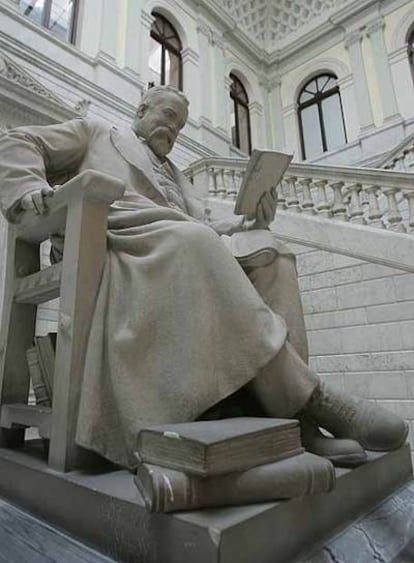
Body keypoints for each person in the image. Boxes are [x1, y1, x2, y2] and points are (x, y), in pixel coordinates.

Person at [0, 86, 407, 470]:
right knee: (195, 240)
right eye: (168, 116)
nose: (173, 130)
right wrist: (28, 189)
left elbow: (211, 222)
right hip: (122, 239)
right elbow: (20, 141)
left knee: (272, 253)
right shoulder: (96, 133)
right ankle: (313, 399)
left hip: (183, 243)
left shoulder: (178, 176)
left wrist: (252, 217)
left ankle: (298, 423)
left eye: (179, 126)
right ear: (141, 111)